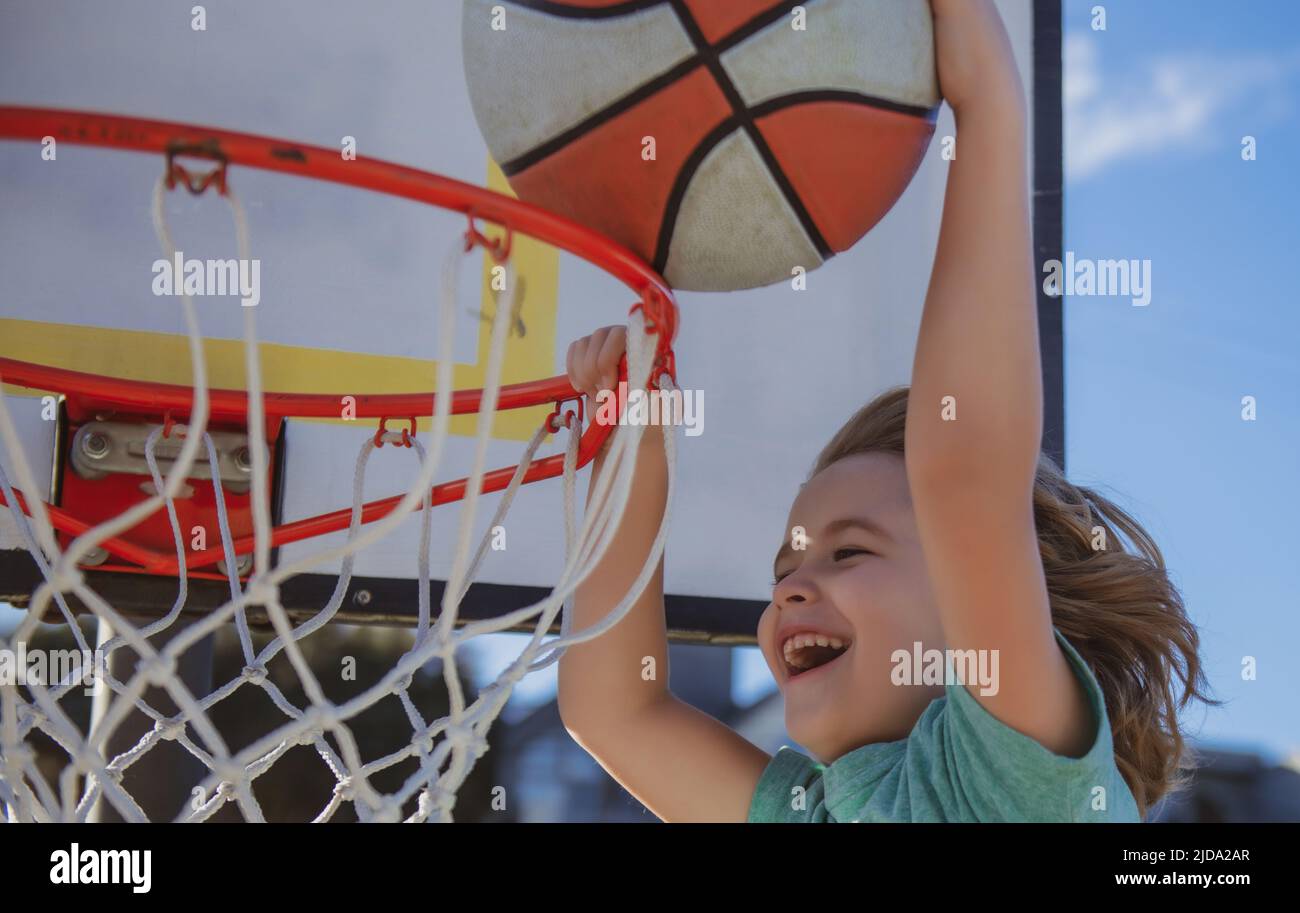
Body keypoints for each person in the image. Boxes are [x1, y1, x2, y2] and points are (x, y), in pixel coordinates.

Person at [556, 0, 1213, 823]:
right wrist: (629, 447)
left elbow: (968, 478)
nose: (790, 591)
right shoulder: (828, 809)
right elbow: (618, 711)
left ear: (993, 590)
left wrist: (986, 107)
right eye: (786, 571)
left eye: (849, 552)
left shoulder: (1020, 787)